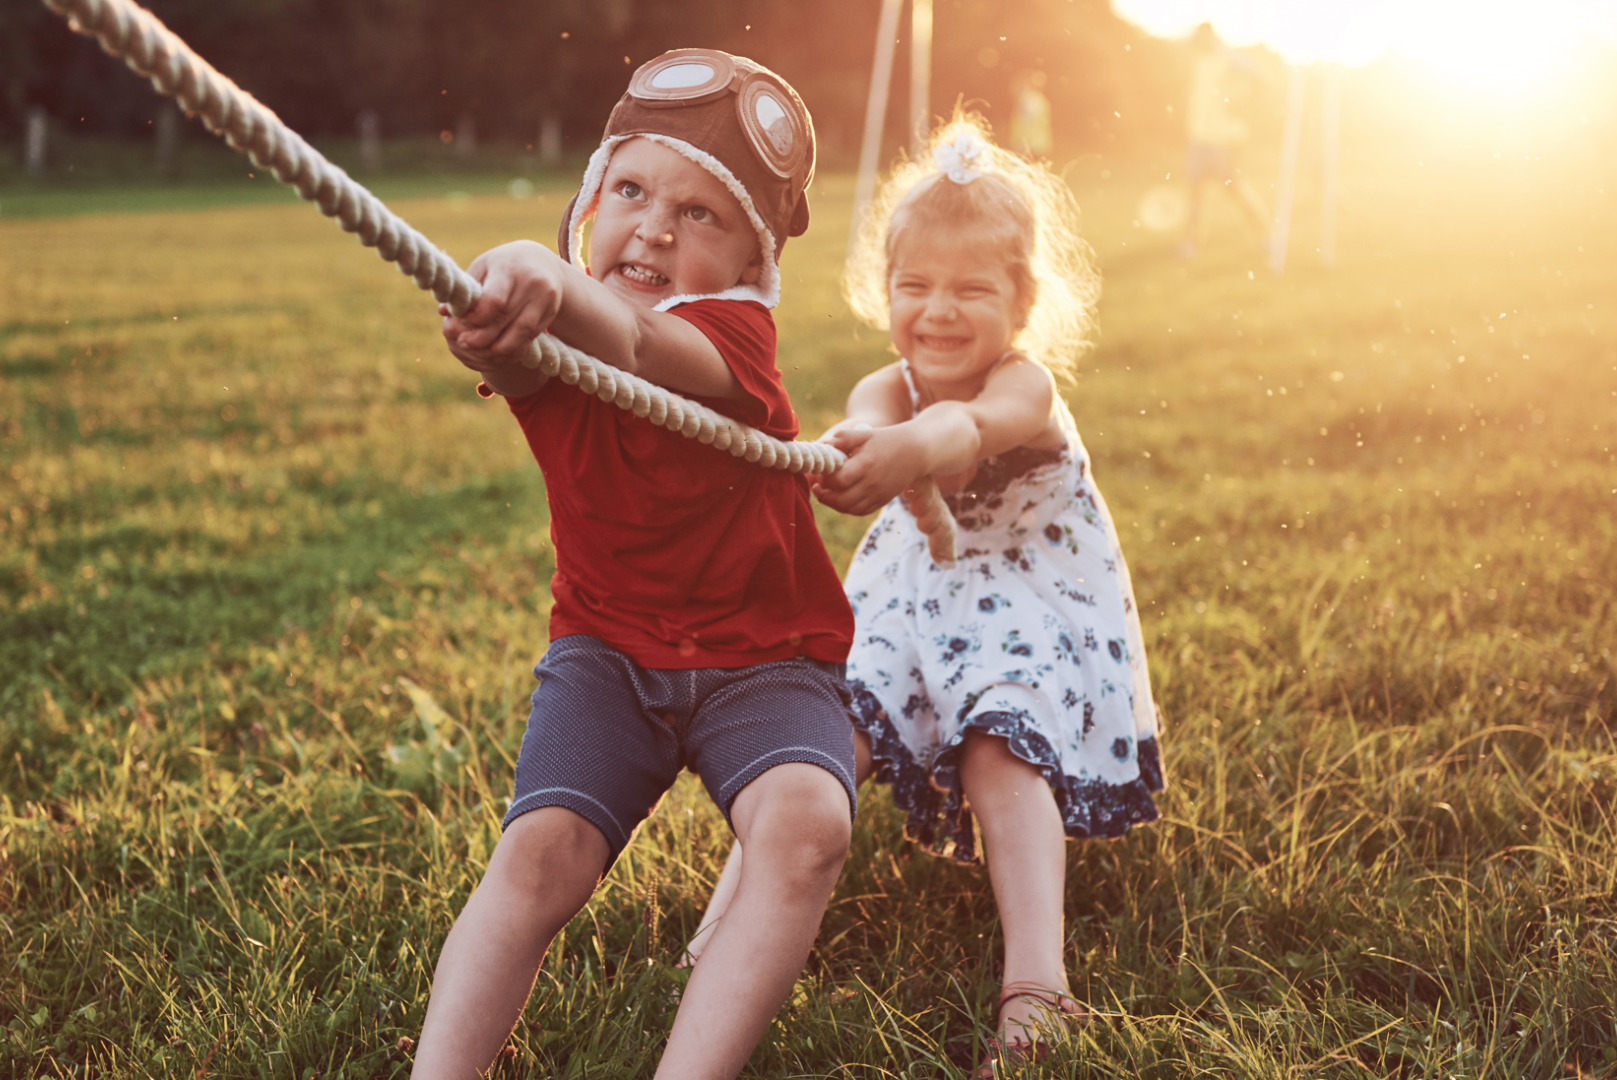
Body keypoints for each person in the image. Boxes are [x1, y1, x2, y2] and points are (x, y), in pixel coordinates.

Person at [408, 50, 860, 1080]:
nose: (654, 228)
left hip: (765, 661)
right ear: (590, 201)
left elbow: (641, 347)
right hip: (607, 653)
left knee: (807, 825)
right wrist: (489, 320)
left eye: (700, 214)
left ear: (751, 260)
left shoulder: (733, 335)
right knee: (540, 856)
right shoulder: (557, 335)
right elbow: (509, 351)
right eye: (630, 191)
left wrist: (542, 269)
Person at [684, 116, 1165, 1076]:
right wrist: (862, 449)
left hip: (1029, 604)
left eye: (972, 290)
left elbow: (971, 431)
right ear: (886, 288)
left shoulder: (1025, 386)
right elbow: (870, 425)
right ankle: (717, 938)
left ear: (1023, 302)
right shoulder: (887, 387)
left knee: (998, 746)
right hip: (913, 597)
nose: (939, 311)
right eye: (915, 286)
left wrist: (911, 447)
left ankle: (1039, 986)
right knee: (827, 740)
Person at [1179, 22, 1272, 259]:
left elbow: (1261, 80)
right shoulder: (1199, 61)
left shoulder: (1231, 58)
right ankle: (1191, 244)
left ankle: (1264, 237)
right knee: (1195, 192)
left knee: (1234, 189)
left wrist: (1242, 105)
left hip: (1226, 138)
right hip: (1199, 136)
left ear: (1210, 37)